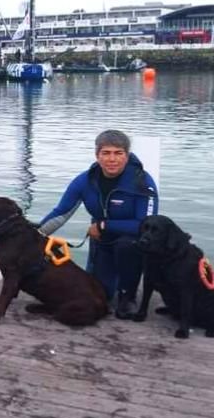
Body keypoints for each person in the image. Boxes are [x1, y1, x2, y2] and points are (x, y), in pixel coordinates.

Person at [37, 129, 158, 319]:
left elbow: (147, 225)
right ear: (97, 155)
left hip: (131, 242)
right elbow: (61, 213)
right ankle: (113, 282)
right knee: (102, 294)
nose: (112, 159)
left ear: (127, 156)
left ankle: (128, 296)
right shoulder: (84, 181)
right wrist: (33, 236)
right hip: (101, 241)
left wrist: (104, 225)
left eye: (118, 153)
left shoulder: (143, 182)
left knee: (126, 246)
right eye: (106, 153)